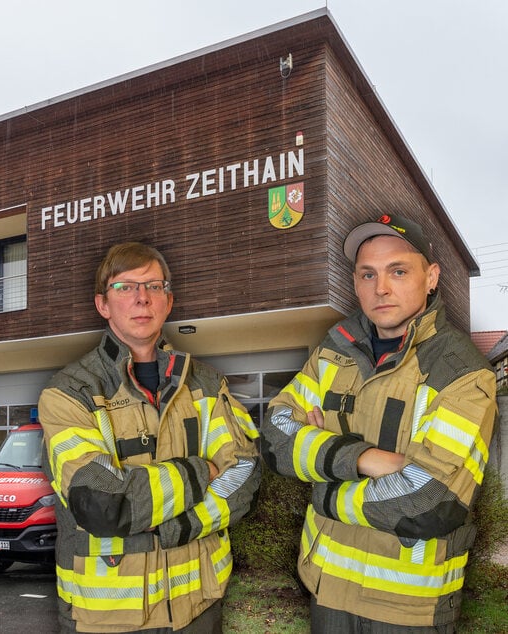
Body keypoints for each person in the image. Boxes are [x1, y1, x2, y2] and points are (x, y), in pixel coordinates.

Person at [261, 214, 498, 632]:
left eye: (398, 271)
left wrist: (324, 488)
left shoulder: (461, 371)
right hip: (327, 588)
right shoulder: (334, 349)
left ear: (432, 277)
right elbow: (277, 434)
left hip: (407, 607)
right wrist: (367, 459)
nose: (381, 288)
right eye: (367, 274)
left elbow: (430, 502)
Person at [38, 242, 261, 633]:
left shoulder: (207, 383)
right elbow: (105, 503)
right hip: (107, 618)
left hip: (199, 606)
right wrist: (202, 470)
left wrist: (179, 527)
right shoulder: (69, 392)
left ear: (168, 301)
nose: (142, 298)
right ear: (103, 305)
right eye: (125, 287)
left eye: (154, 286)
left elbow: (245, 475)